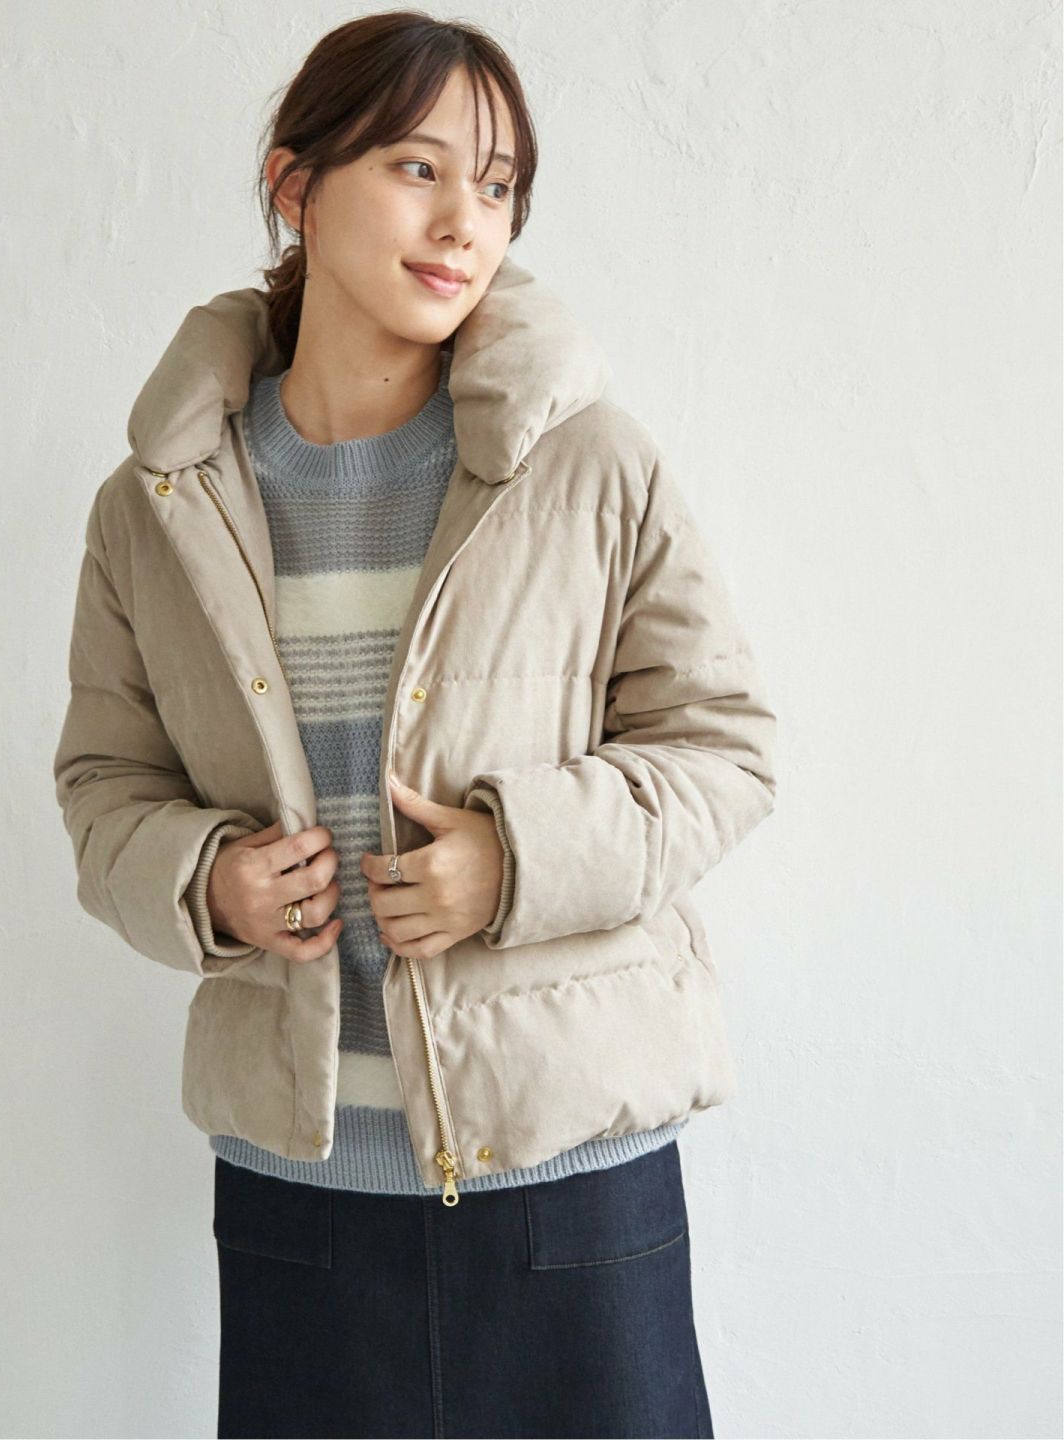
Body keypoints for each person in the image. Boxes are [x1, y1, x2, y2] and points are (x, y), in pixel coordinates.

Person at [53, 11, 777, 1438]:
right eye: (418, 167)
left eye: (497, 186)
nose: (464, 223)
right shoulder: (159, 507)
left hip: (570, 1191)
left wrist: (515, 861)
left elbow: (723, 747)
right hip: (300, 1202)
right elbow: (102, 787)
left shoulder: (587, 463)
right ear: (295, 185)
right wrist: (209, 882)